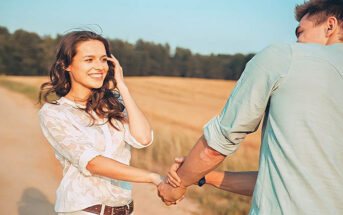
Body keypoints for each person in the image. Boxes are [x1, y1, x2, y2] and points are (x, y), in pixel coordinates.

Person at [158, 0, 343, 214]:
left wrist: (177, 184)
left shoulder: (286, 57)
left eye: (300, 33)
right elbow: (280, 180)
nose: (298, 42)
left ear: (330, 26)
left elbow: (217, 146)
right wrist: (202, 177)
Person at [38, 31, 162, 215]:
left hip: (127, 210)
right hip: (84, 211)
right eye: (89, 60)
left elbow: (143, 139)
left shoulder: (114, 103)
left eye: (103, 59)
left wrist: (122, 87)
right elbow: (92, 163)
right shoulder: (54, 113)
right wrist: (153, 177)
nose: (99, 67)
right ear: (66, 65)